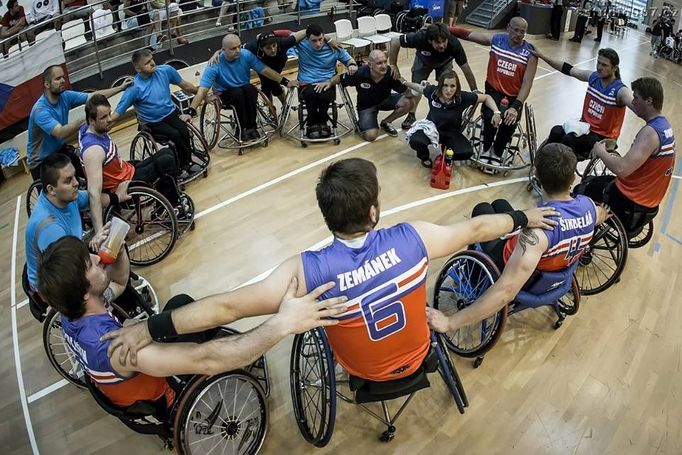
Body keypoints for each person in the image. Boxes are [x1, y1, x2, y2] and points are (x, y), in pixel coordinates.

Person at [100, 157, 558, 383]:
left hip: (359, 367)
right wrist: (522, 218)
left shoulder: (305, 271)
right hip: (418, 356)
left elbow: (226, 307)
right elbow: (479, 226)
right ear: (375, 211)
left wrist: (151, 327)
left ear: (327, 217)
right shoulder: (416, 237)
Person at [37, 235, 348, 409]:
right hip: (152, 389)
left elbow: (117, 281)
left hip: (119, 373)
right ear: (81, 292)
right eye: (88, 264)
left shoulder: (71, 309)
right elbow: (207, 360)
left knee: (181, 306)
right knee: (206, 337)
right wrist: (284, 322)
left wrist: (117, 245)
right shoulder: (116, 349)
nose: (95, 257)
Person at [427, 143, 606, 335]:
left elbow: (506, 291)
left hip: (514, 265)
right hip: (557, 267)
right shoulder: (589, 207)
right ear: (572, 178)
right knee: (500, 204)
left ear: (536, 174)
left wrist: (450, 322)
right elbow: (601, 214)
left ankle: (472, 276)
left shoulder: (536, 236)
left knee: (482, 210)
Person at [576, 77, 675, 234]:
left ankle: (584, 244)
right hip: (649, 201)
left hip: (630, 201)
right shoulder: (664, 126)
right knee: (593, 181)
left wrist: (601, 152)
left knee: (580, 190)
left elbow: (622, 169)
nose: (632, 102)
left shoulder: (650, 133)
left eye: (636, 97)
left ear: (649, 101)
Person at [79, 94, 184, 232]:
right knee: (166, 160)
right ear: (91, 121)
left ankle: (164, 200)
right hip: (124, 184)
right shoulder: (93, 151)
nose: (110, 119)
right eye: (104, 117)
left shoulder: (86, 128)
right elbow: (93, 193)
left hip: (125, 170)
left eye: (109, 114)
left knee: (166, 153)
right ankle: (167, 208)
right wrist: (99, 231)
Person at [24, 153, 128, 291]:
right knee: (104, 270)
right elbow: (68, 271)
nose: (76, 183)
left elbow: (93, 198)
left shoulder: (66, 196)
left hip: (72, 253)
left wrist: (116, 197)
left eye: (74, 176)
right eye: (68, 180)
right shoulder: (50, 228)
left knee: (114, 246)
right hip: (54, 286)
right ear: (51, 189)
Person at [451, 17, 537, 163]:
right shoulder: (497, 40)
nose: (519, 34)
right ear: (508, 28)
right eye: (516, 30)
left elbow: (527, 83)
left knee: (509, 122)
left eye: (523, 32)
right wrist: (447, 29)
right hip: (493, 91)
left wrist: (516, 106)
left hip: (514, 95)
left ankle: (498, 151)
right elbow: (469, 34)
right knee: (491, 116)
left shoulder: (530, 53)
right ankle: (486, 147)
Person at [27, 64, 132, 180]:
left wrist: (120, 88)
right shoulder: (40, 110)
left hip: (59, 150)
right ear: (47, 84)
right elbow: (60, 132)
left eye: (63, 77)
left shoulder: (65, 96)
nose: (63, 80)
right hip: (41, 161)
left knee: (86, 171)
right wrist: (87, 119)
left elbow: (92, 96)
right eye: (58, 79)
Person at [184, 33, 291, 142]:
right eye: (233, 49)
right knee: (238, 93)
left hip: (244, 89)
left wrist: (286, 82)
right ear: (223, 50)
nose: (238, 50)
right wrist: (190, 112)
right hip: (225, 93)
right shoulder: (214, 64)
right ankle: (241, 130)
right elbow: (202, 91)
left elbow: (265, 70)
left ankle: (252, 128)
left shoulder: (246, 55)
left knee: (251, 89)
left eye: (239, 46)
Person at [112, 49, 202, 179]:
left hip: (170, 113)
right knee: (175, 135)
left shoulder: (165, 70)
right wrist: (106, 122)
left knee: (184, 130)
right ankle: (181, 166)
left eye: (152, 59)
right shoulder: (134, 88)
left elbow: (185, 85)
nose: (152, 63)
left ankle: (187, 162)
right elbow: (119, 110)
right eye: (147, 62)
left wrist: (201, 93)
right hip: (153, 122)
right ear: (138, 69)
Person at [533, 47, 632, 161]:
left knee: (568, 140)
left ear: (614, 68)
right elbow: (568, 69)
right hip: (585, 128)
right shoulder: (594, 77)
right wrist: (543, 56)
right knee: (556, 131)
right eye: (598, 63)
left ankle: (561, 172)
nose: (599, 67)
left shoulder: (620, 91)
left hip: (603, 137)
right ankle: (544, 164)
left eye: (604, 65)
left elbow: (635, 104)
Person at [388, 22, 478, 130]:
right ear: (430, 40)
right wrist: (393, 64)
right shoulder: (420, 37)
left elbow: (466, 69)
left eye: (444, 41)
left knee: (447, 87)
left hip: (444, 63)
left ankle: (445, 117)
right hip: (423, 61)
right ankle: (411, 115)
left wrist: (475, 90)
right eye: (438, 42)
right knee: (416, 89)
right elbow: (395, 41)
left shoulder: (454, 44)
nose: (441, 45)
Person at [402, 71, 501, 168]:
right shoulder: (433, 92)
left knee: (466, 152)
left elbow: (486, 98)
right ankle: (425, 158)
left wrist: (496, 112)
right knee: (415, 140)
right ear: (440, 86)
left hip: (451, 132)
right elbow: (419, 88)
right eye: (445, 85)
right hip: (431, 128)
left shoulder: (463, 97)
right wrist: (404, 82)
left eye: (452, 86)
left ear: (457, 87)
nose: (448, 90)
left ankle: (446, 154)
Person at [329, 49, 413, 141]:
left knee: (408, 102)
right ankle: (362, 123)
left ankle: (386, 122)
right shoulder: (359, 73)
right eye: (379, 63)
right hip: (366, 107)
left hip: (385, 100)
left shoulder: (390, 73)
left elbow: (408, 94)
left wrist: (404, 81)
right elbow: (339, 78)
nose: (384, 66)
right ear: (369, 64)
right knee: (371, 136)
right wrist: (328, 83)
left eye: (385, 62)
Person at [208, 29, 306, 107]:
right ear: (261, 48)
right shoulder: (252, 47)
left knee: (273, 83)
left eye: (274, 46)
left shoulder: (283, 42)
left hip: (279, 61)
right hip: (262, 63)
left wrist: (312, 30)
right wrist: (217, 53)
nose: (272, 50)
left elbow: (301, 33)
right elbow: (231, 47)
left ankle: (284, 104)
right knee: (267, 84)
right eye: (268, 48)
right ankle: (270, 106)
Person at [296, 23, 357, 139]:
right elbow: (284, 34)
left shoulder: (332, 46)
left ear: (324, 36)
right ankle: (312, 123)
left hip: (327, 82)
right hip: (307, 83)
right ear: (307, 38)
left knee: (324, 96)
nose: (318, 43)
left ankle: (323, 122)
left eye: (321, 39)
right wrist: (308, 29)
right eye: (314, 40)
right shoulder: (301, 44)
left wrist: (352, 65)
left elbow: (349, 60)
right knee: (311, 94)